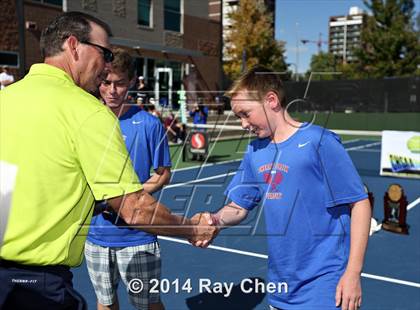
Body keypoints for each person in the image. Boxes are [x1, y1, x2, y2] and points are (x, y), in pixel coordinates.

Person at [0, 12, 215, 309]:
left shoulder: (7, 99)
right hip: (39, 287)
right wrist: (192, 228)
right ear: (74, 46)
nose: (106, 65)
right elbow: (136, 209)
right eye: (105, 53)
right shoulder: (87, 111)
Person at [195, 66, 371, 310]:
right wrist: (214, 219)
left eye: (246, 114)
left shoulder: (319, 142)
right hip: (281, 288)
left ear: (271, 100)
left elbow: (360, 203)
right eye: (238, 117)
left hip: (326, 285)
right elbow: (239, 206)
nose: (243, 124)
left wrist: (353, 273)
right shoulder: (255, 151)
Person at [85, 48, 171, 310]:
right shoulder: (85, 121)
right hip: (96, 236)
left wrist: (127, 199)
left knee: (148, 304)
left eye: (120, 83)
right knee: (105, 303)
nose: (112, 90)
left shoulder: (149, 124)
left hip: (139, 237)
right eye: (106, 82)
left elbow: (163, 175)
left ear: (132, 82)